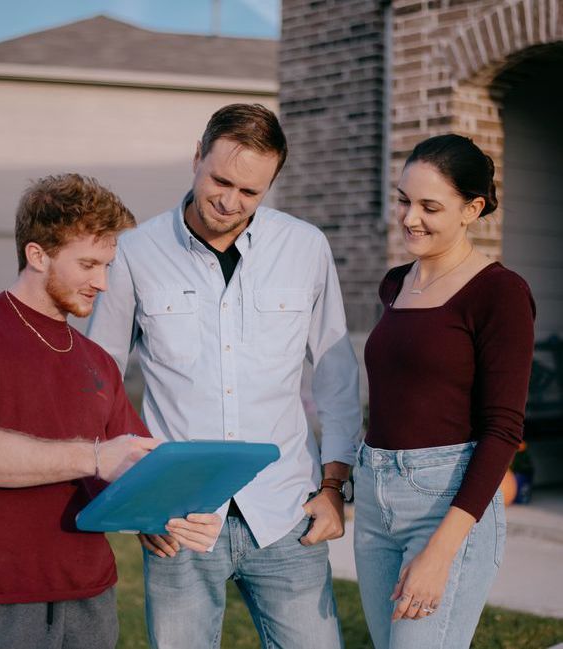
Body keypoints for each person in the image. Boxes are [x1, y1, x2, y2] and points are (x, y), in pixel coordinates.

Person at [88, 103, 361, 649]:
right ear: (196, 158)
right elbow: (99, 380)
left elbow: (336, 377)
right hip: (180, 521)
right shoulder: (134, 254)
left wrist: (334, 489)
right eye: (220, 180)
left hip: (287, 512)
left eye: (250, 192)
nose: (230, 202)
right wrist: (140, 499)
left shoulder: (306, 248)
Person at [0, 173, 221, 649]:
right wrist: (96, 457)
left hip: (89, 599)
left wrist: (172, 514)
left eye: (107, 265)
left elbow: (135, 463)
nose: (102, 282)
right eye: (87, 264)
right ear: (37, 254)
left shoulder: (98, 359)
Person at [353, 134, 535, 649]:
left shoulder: (500, 293)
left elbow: (503, 430)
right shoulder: (394, 283)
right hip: (374, 497)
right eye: (404, 200)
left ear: (472, 209)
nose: (410, 217)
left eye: (430, 206)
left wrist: (440, 551)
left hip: (445, 501)